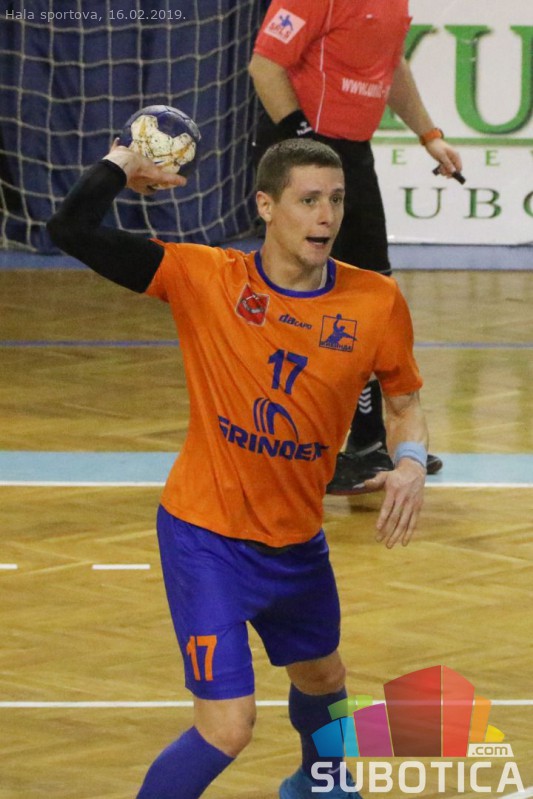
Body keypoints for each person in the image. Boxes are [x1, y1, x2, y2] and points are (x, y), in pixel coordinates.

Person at [47, 137, 428, 799]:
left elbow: (403, 402)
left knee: (322, 676)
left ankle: (318, 784)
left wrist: (411, 462)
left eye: (336, 199)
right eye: (308, 200)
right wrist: (119, 166)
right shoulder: (204, 277)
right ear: (266, 206)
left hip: (297, 541)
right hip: (207, 538)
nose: (327, 216)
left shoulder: (375, 300)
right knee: (227, 727)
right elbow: (69, 230)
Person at [249, 0, 463, 494]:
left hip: (351, 154)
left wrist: (429, 136)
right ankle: (293, 440)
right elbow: (265, 65)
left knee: (373, 293)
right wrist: (304, 146)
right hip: (304, 151)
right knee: (309, 293)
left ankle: (368, 441)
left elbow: (392, 66)